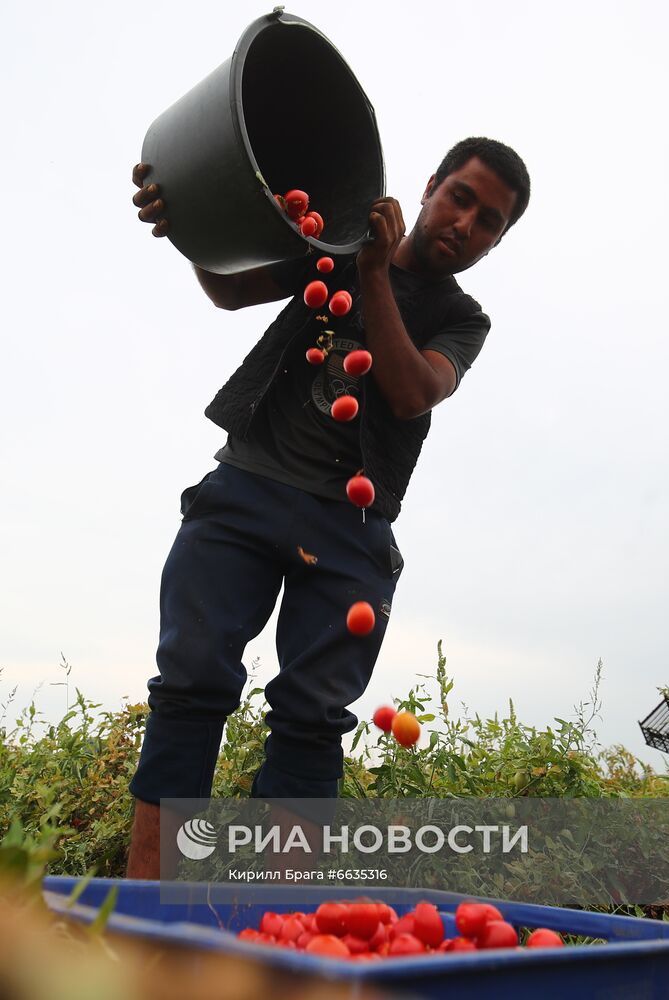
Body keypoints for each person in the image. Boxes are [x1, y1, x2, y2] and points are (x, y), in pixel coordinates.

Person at [126, 137, 531, 877]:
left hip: (351, 533)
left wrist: (374, 273)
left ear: (495, 243)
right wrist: (185, 214)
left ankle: (266, 940)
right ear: (431, 185)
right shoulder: (338, 240)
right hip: (246, 490)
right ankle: (152, 919)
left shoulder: (461, 319)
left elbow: (410, 393)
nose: (464, 223)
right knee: (190, 687)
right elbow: (228, 286)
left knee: (311, 724)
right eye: (460, 198)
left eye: (488, 222)